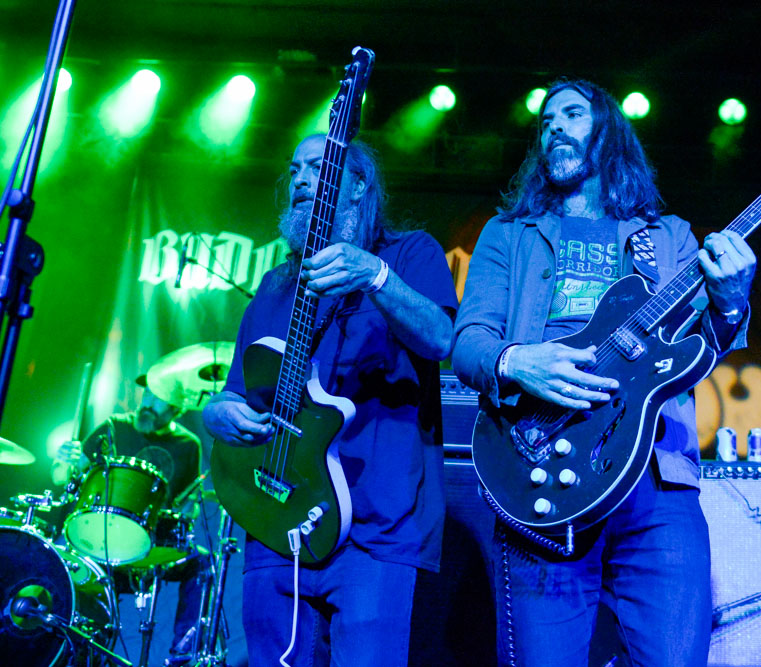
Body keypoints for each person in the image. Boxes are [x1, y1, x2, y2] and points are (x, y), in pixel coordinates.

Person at [452, 79, 757, 666]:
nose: (554, 126)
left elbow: (700, 350)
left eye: (572, 114)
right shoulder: (508, 235)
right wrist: (519, 361)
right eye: (545, 120)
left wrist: (730, 303)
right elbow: (469, 343)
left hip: (656, 488)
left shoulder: (666, 237)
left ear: (608, 131)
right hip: (539, 470)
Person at [202, 136, 457, 667]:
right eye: (294, 168)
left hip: (376, 530)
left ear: (359, 186)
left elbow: (440, 339)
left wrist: (376, 276)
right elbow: (234, 393)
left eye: (318, 167)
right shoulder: (274, 286)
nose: (299, 179)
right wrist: (218, 414)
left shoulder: (410, 253)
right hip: (277, 528)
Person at [52, 375, 204, 663]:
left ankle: (185, 655)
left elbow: (187, 507)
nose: (147, 402)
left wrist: (189, 512)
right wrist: (62, 461)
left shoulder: (188, 444)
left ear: (177, 407)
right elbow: (63, 476)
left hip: (150, 543)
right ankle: (53, 648)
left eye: (158, 397)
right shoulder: (114, 427)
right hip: (99, 534)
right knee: (57, 557)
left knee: (203, 561)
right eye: (147, 393)